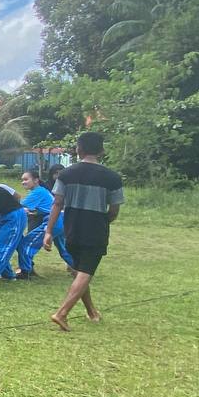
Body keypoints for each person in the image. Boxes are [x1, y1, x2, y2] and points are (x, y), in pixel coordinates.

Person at [44, 132, 124, 331]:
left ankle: (91, 312)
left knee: (80, 271)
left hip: (71, 228)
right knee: (85, 271)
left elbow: (57, 203)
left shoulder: (66, 174)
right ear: (102, 150)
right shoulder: (112, 178)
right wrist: (104, 221)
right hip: (95, 229)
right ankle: (62, 313)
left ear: (79, 149)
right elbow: (114, 210)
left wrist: (48, 231)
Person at [16, 169, 72, 278]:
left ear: (36, 180)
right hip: (62, 219)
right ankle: (80, 269)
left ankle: (25, 271)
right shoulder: (42, 190)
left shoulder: (37, 192)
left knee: (26, 243)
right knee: (63, 248)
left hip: (53, 220)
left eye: (26, 179)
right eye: (22, 180)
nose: (23, 182)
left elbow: (17, 206)